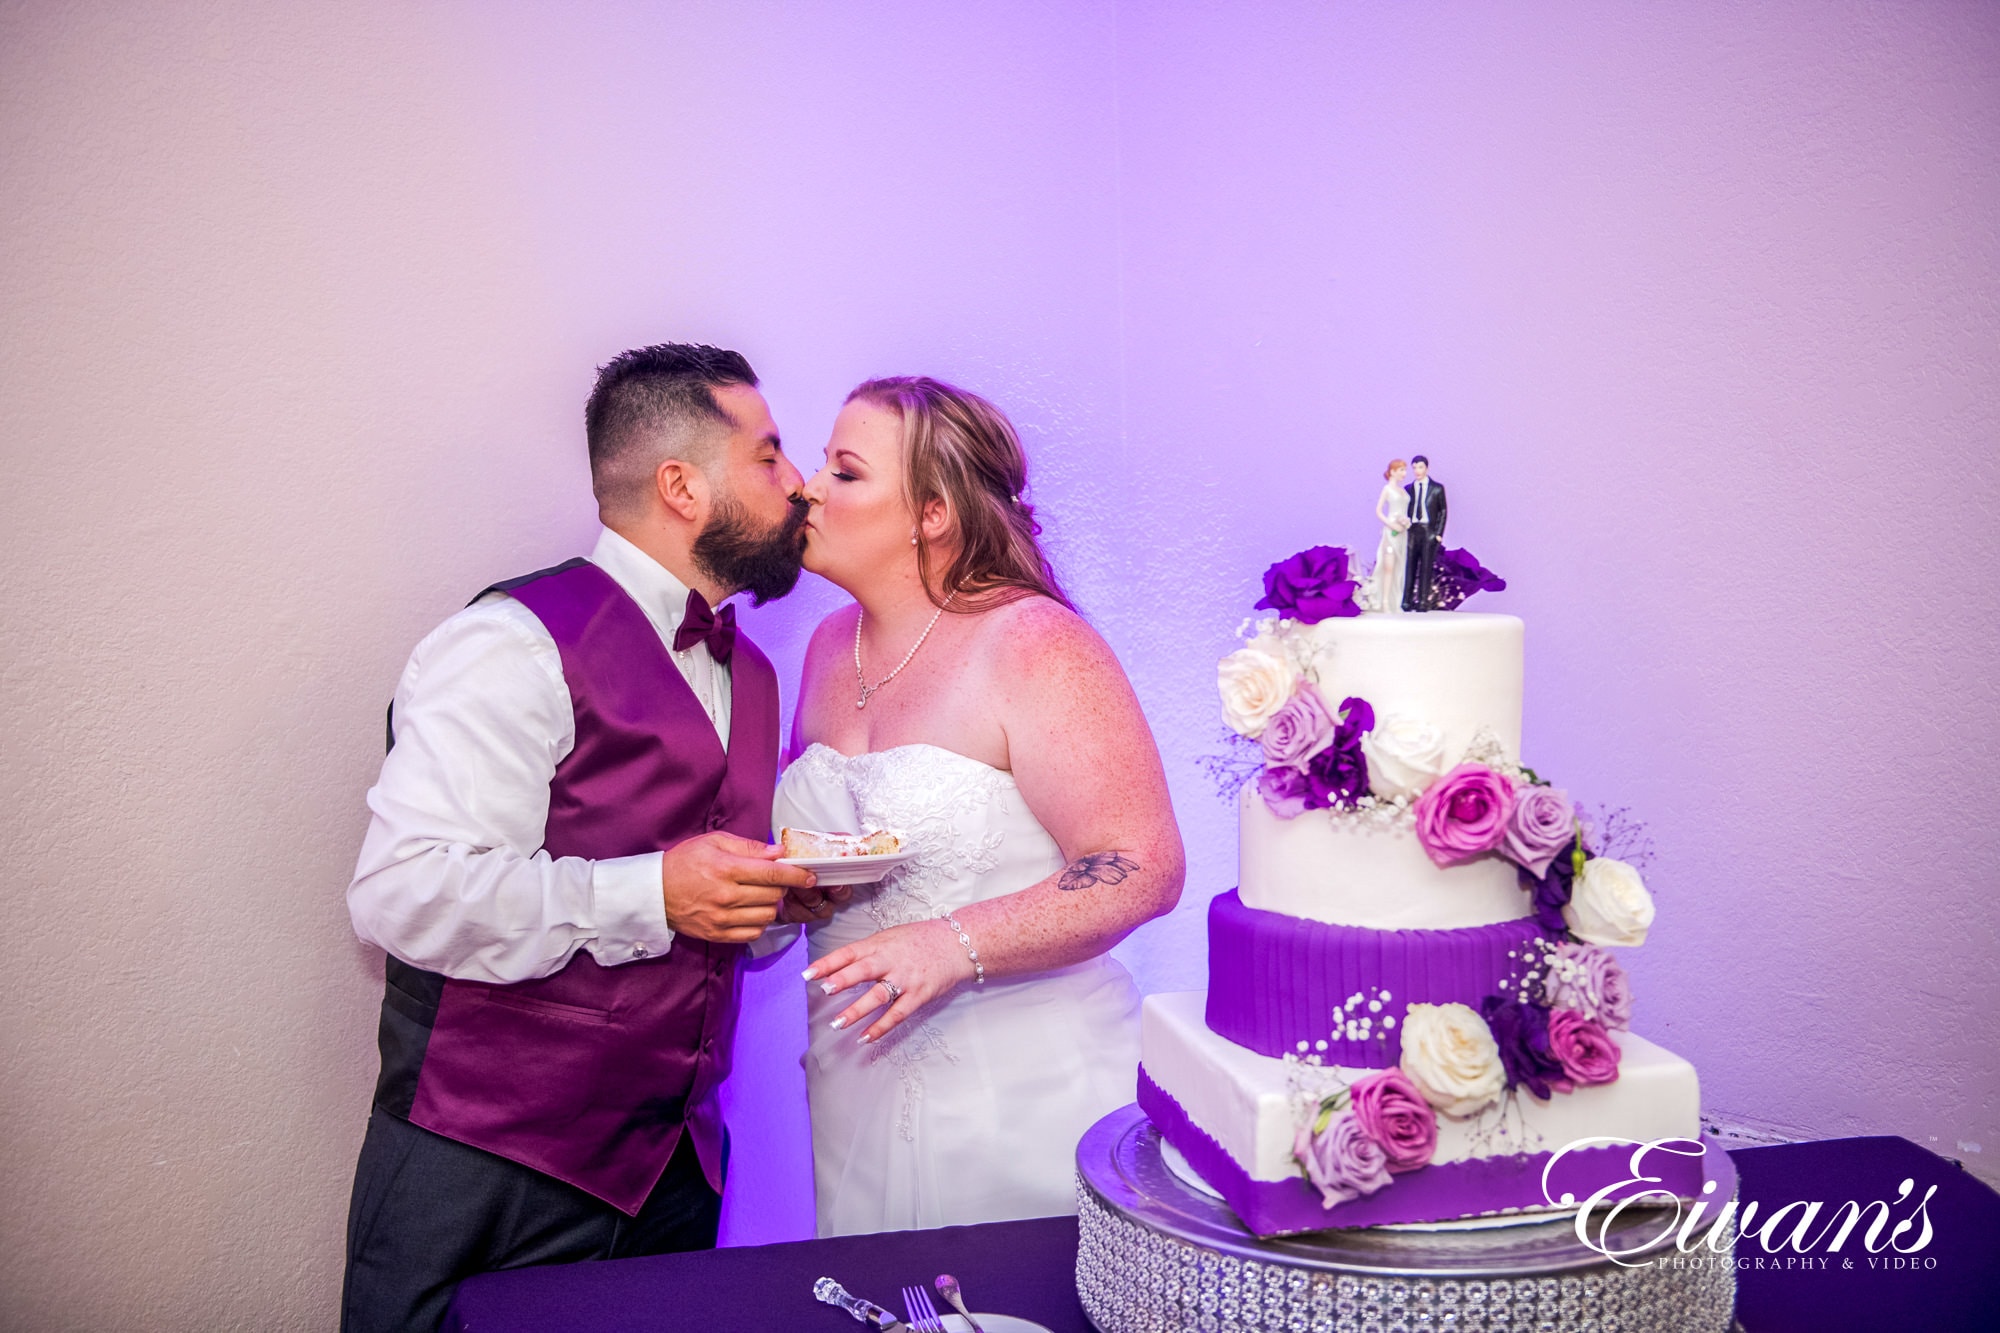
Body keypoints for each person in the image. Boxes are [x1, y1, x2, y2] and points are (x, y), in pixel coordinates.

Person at [341, 344, 821, 1332]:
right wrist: (653, 893)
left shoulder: (758, 675)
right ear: (681, 485)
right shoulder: (509, 644)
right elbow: (401, 892)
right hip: (487, 1173)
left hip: (675, 1176)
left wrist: (768, 900)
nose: (798, 482)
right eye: (770, 456)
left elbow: (692, 891)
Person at [772, 376, 1185, 1237]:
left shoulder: (1032, 642)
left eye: (845, 471)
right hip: (857, 1087)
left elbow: (1143, 864)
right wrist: (797, 892)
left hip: (1021, 1089)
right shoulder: (822, 647)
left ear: (932, 512)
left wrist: (953, 943)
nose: (808, 486)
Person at [1401, 455, 1448, 612]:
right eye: (1414, 467)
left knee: (1426, 567)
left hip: (1428, 530)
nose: (1417, 471)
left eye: (1420, 467)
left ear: (1426, 468)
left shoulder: (1437, 488)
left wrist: (1438, 533)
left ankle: (1423, 602)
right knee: (1410, 566)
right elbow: (1404, 510)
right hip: (1412, 530)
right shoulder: (1408, 489)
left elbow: (1442, 511)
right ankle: (1406, 600)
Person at [1373, 459, 1410, 613]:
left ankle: (1396, 601)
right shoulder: (1387, 489)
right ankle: (1385, 602)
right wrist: (1391, 524)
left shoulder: (1403, 491)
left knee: (1399, 567)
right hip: (1391, 532)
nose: (1404, 473)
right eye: (1401, 470)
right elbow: (1378, 511)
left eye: (1404, 470)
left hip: (1402, 533)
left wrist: (1405, 522)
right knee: (1388, 566)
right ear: (1393, 471)